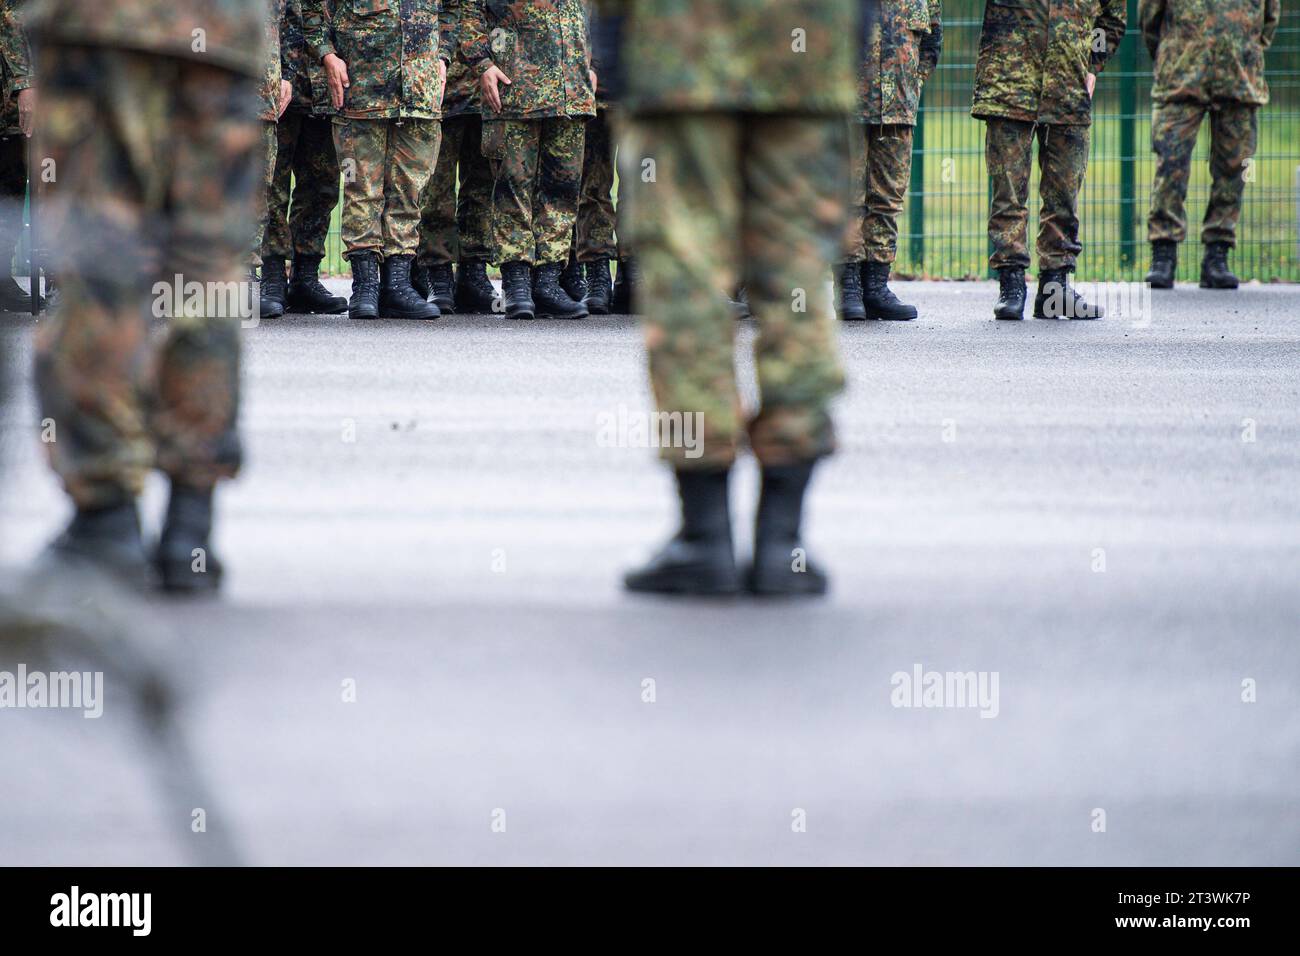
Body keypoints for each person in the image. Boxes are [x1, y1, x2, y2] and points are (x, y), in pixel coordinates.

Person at [615, 0, 870, 597]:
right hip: (805, 47)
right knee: (798, 275)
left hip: (681, 47)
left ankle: (705, 537)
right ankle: (783, 541)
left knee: (688, 276)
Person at [30, 0, 264, 592]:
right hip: (221, 26)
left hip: (102, 22)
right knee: (205, 267)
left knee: (101, 258)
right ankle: (191, 518)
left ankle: (107, 516)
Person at [971, 0, 1126, 320]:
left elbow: (1111, 19)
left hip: (1069, 84)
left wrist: (1091, 63)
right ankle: (1011, 284)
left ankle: (1055, 288)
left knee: (1064, 192)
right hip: (1009, 79)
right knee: (1008, 190)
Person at [303, 0, 448, 321]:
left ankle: (397, 286)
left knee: (409, 190)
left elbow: (454, 9)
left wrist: (443, 55)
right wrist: (327, 54)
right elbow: (309, 8)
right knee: (361, 188)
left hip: (418, 90)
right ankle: (365, 286)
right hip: (360, 86)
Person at [459, 0, 596, 320]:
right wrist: (483, 64)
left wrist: (593, 66)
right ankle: (517, 283)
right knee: (513, 188)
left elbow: (598, 16)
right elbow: (469, 12)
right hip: (515, 91)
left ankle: (548, 282)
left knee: (561, 193)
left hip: (570, 93)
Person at [1141, 0, 1281, 291]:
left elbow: (1269, 19)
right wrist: (1172, 52)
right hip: (1181, 74)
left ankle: (1218, 252)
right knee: (1170, 163)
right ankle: (1163, 253)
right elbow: (1150, 17)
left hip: (1239, 77)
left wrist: (1245, 48)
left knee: (1237, 167)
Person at [838, 0, 942, 322]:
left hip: (898, 105)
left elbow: (932, 40)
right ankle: (849, 288)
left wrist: (912, 84)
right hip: (847, 103)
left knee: (888, 198)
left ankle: (876, 286)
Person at [261, 0, 347, 316]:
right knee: (272, 185)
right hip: (279, 86)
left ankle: (305, 276)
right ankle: (271, 276)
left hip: (325, 89)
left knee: (321, 187)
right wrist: (281, 71)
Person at [412, 0, 498, 315]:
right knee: (436, 187)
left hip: (488, 86)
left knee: (482, 185)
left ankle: (474, 272)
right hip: (442, 85)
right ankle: (437, 272)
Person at [253, 0, 294, 319]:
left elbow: (289, 21)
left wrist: (287, 73)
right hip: (199, 93)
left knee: (256, 189)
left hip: (260, 93)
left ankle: (243, 280)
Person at [0, 0, 36, 313]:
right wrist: (25, 84)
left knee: (11, 183)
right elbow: (10, 17)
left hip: (11, 114)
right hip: (10, 94)